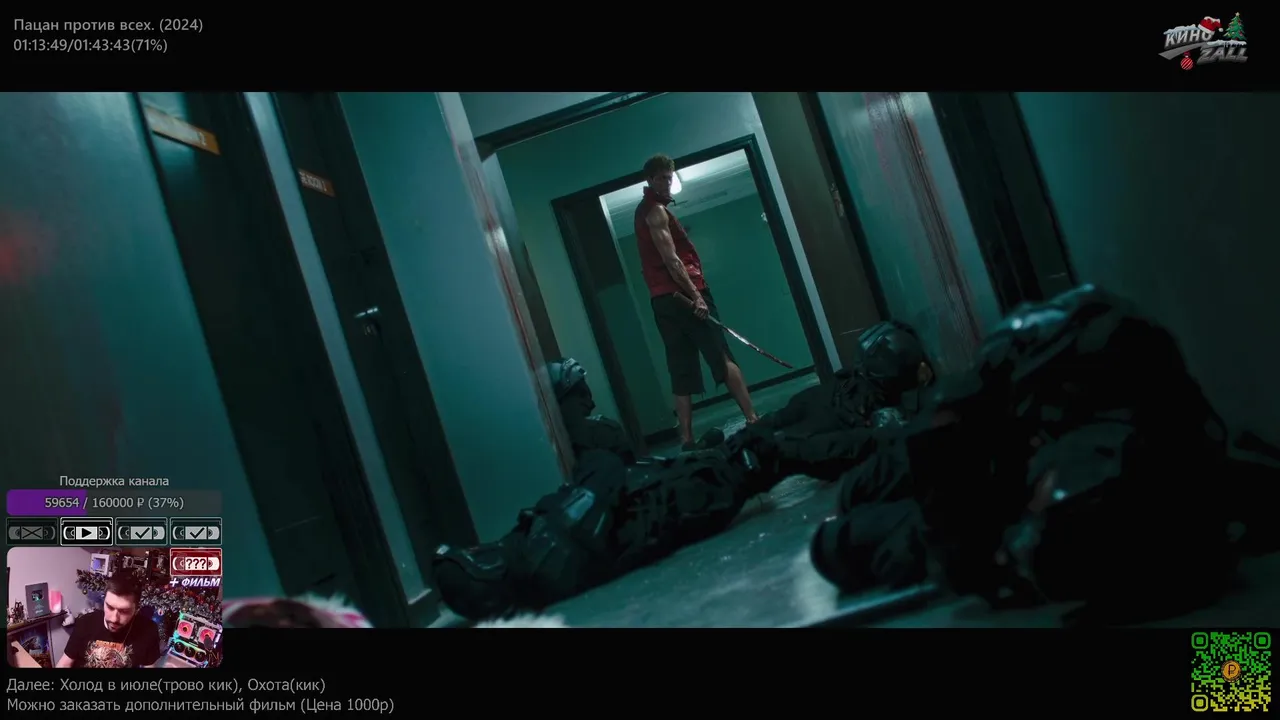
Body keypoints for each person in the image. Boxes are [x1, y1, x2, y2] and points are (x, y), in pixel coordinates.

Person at [804, 285, 1275, 623]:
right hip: (1019, 442)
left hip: (1028, 496)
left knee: (843, 540)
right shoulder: (1083, 366)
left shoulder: (1174, 511)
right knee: (869, 498)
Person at [431, 378, 788, 621]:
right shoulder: (546, 548)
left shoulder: (536, 562)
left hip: (680, 491)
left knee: (769, 442)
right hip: (688, 493)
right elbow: (604, 472)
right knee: (776, 444)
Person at [636, 154, 758, 449]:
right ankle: (753, 419)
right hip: (684, 296)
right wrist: (696, 297)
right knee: (721, 355)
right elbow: (672, 261)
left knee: (681, 368)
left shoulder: (644, 212)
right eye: (662, 178)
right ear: (650, 180)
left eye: (670, 177)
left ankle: (687, 440)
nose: (667, 183)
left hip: (662, 301)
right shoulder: (656, 213)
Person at [57, 573, 163, 668]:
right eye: (110, 607)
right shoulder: (85, 622)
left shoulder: (148, 630)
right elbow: (64, 664)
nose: (114, 618)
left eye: (124, 611)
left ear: (136, 609)